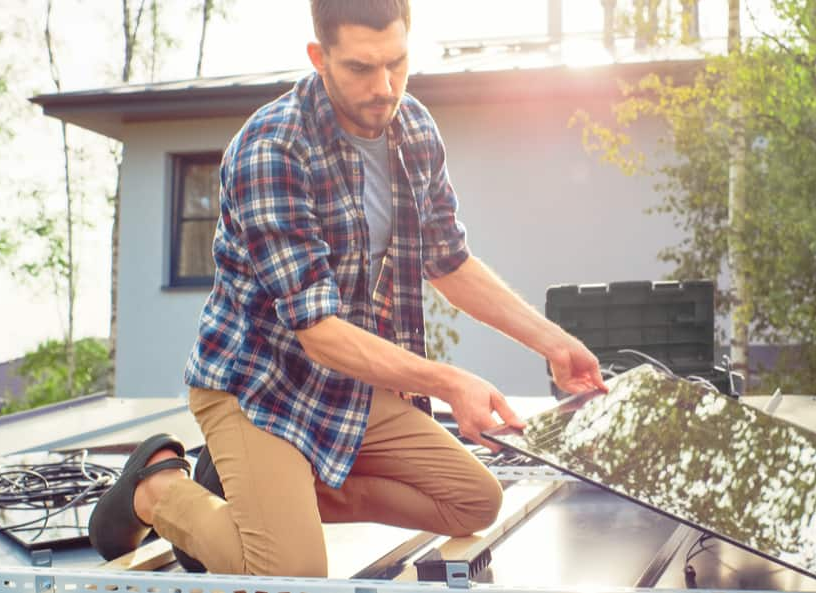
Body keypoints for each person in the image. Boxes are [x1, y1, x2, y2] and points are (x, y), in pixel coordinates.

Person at [87, 0, 606, 577]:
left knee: (473, 502)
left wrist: (553, 342)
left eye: (397, 64)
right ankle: (160, 489)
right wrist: (452, 380)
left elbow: (449, 261)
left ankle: (256, 496)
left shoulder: (413, 129)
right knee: (295, 579)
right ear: (320, 58)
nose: (385, 87)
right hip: (255, 385)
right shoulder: (272, 149)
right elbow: (320, 334)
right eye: (361, 68)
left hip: (345, 385)